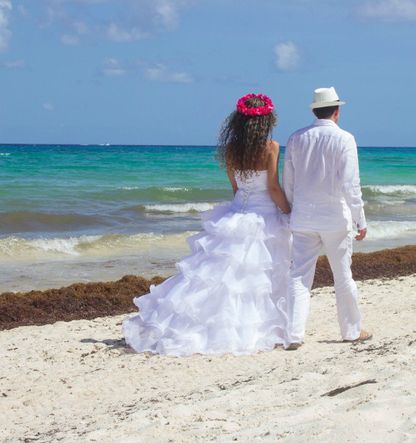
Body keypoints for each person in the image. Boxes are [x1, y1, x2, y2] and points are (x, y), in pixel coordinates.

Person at [123, 93, 292, 356]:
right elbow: (272, 186)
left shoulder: (232, 150)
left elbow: (235, 188)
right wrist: (288, 210)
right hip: (264, 216)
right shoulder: (271, 147)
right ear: (267, 121)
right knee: (257, 277)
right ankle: (261, 328)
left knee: (222, 276)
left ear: (238, 122)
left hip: (237, 211)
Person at [283, 86, 372, 350]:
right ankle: (351, 331)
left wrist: (291, 209)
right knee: (342, 276)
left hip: (303, 217)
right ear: (337, 111)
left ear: (315, 110)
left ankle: (294, 334)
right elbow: (350, 185)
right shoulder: (345, 139)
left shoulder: (296, 138)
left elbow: (289, 182)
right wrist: (361, 219)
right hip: (335, 218)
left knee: (299, 276)